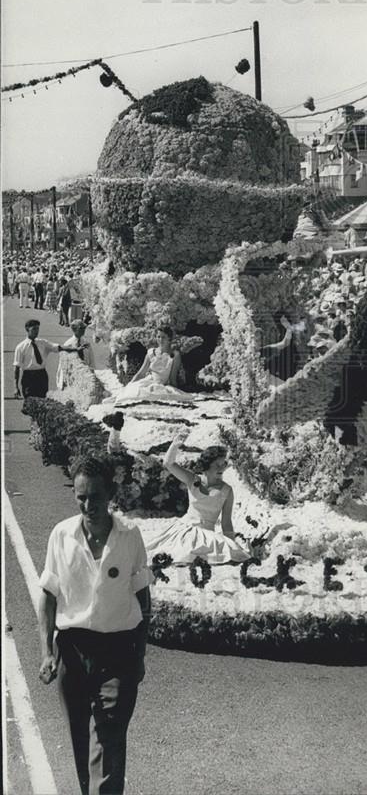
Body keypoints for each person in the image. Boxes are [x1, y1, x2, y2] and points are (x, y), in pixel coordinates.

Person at [38, 455, 152, 795]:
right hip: (73, 651)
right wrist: (46, 652)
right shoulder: (61, 535)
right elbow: (48, 596)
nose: (88, 505)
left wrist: (140, 654)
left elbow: (143, 599)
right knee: (80, 737)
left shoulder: (130, 536)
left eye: (96, 497)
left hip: (118, 652)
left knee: (109, 736)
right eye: (81, 496)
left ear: (111, 493)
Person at [140, 436, 248, 565]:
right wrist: (174, 445)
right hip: (184, 530)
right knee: (172, 553)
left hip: (207, 535)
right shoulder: (193, 479)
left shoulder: (227, 491)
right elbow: (168, 464)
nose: (221, 468)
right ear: (207, 465)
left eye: (223, 464)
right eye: (217, 465)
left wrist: (231, 544)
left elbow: (226, 522)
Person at [109, 326, 192, 406]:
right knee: (135, 391)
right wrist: (128, 386)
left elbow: (172, 377)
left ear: (169, 339)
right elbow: (141, 373)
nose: (160, 340)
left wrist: (175, 391)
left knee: (154, 395)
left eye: (163, 337)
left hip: (161, 385)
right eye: (158, 337)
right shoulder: (151, 352)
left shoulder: (174, 355)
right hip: (148, 382)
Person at [13, 318, 82, 399]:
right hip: (29, 378)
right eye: (34, 329)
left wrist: (75, 349)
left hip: (41, 376)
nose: (36, 331)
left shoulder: (43, 343)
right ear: (27, 329)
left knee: (43, 402)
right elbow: (16, 368)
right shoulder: (20, 347)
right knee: (30, 403)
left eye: (38, 329)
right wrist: (15, 387)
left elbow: (59, 347)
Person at [58, 319, 96, 388]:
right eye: (81, 328)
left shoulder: (86, 342)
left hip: (86, 375)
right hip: (73, 376)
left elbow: (91, 358)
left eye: (84, 328)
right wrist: (62, 382)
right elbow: (62, 365)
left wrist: (92, 371)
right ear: (74, 329)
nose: (84, 330)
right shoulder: (68, 344)